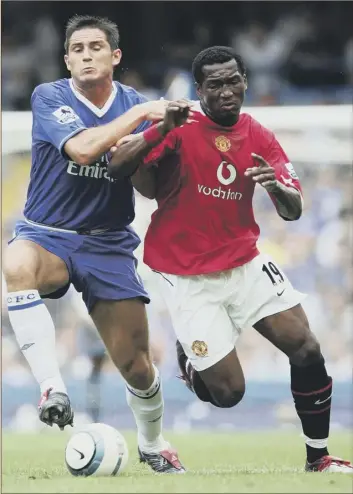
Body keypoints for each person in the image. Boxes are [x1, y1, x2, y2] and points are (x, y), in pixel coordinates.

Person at [107, 46, 353, 474]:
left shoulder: (259, 135)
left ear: (245, 82)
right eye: (215, 84)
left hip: (244, 263)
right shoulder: (178, 127)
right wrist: (156, 130)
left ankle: (319, 458)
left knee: (307, 348)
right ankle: (191, 358)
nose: (226, 91)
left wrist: (275, 187)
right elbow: (117, 166)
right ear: (199, 89)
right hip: (186, 274)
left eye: (233, 81)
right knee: (228, 394)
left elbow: (293, 210)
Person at [3, 15, 185, 473]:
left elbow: (145, 185)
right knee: (15, 261)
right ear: (67, 60)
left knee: (138, 367)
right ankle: (52, 388)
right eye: (77, 49)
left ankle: (152, 442)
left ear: (115, 56)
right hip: (48, 236)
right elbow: (83, 150)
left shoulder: (133, 104)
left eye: (96, 47)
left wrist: (153, 138)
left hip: (108, 245)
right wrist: (145, 117)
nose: (86, 55)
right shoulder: (51, 96)